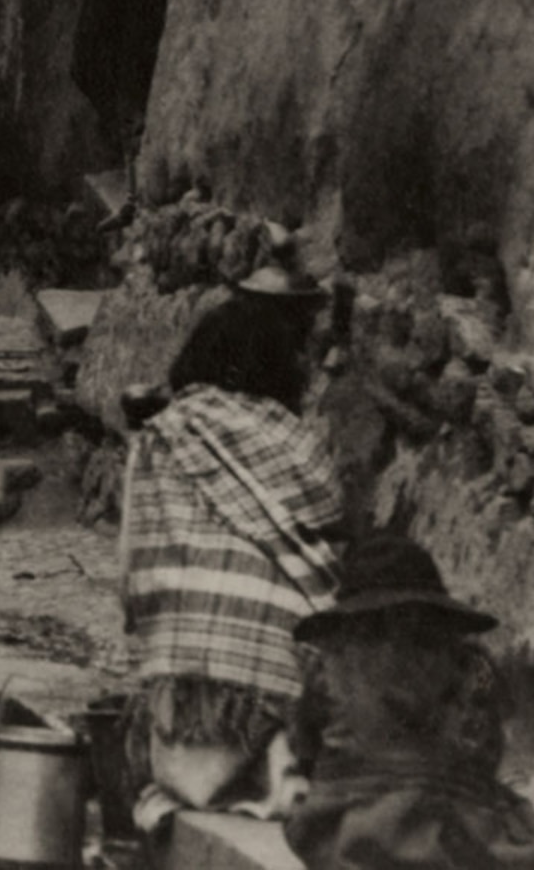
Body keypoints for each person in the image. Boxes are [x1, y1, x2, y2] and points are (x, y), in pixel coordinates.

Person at [120, 292, 348, 838]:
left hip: (181, 723)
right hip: (275, 713)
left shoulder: (162, 436)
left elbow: (130, 578)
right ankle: (271, 769)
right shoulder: (302, 446)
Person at [280, 534, 534, 870]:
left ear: (350, 618)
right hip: (455, 833)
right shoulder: (475, 664)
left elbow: (305, 743)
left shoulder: (329, 667)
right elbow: (489, 744)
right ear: (437, 611)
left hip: (350, 830)